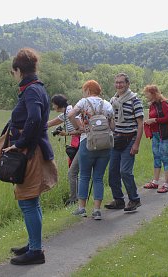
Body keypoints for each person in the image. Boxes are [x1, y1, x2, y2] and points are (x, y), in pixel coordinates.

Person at [0, 48, 58, 265]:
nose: (13, 75)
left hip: (30, 152)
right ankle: (34, 244)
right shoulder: (36, 88)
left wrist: (20, 144)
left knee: (27, 201)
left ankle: (36, 251)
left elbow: (33, 119)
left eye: (13, 72)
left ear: (18, 70)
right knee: (31, 201)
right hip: (34, 149)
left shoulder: (31, 90)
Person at [68, 80, 114, 220]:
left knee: (84, 176)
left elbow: (71, 115)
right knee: (98, 177)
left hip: (87, 142)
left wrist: (79, 128)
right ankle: (97, 210)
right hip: (105, 145)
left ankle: (82, 208)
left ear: (88, 90)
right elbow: (113, 126)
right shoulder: (107, 104)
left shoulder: (83, 102)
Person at [105, 73, 144, 212]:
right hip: (117, 139)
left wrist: (136, 144)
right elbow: (112, 121)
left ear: (127, 84)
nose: (118, 85)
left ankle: (134, 199)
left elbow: (140, 124)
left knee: (125, 171)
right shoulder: (113, 101)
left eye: (121, 82)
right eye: (116, 82)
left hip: (130, 139)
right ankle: (118, 200)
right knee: (113, 172)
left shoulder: (135, 100)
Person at [47, 94, 82, 206]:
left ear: (57, 104)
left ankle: (74, 200)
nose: (53, 107)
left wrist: (66, 133)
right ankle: (78, 197)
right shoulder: (66, 112)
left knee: (72, 173)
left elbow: (81, 130)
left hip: (82, 143)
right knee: (76, 172)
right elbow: (51, 123)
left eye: (53, 104)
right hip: (77, 143)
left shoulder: (70, 112)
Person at [143, 85, 168, 193]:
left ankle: (166, 184)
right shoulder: (152, 105)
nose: (145, 95)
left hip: (165, 134)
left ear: (153, 93)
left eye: (147, 93)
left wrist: (154, 120)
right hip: (155, 134)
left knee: (165, 157)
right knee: (156, 157)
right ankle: (155, 182)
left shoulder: (164, 103)